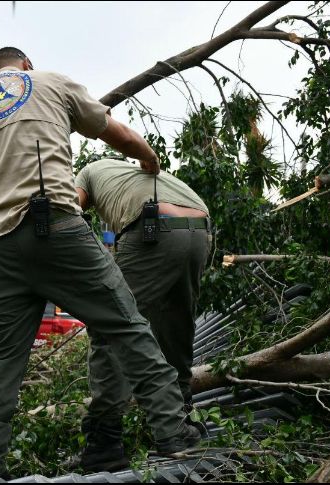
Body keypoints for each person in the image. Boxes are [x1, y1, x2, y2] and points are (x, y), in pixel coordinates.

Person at [0, 46, 200, 479]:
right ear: (26, 64)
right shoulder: (51, 82)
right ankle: (173, 433)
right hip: (58, 229)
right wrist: (149, 158)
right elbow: (119, 135)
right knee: (126, 325)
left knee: (0, 359)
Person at [72, 158, 211, 471]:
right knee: (175, 325)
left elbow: (70, 212)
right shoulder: (129, 173)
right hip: (200, 229)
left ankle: (104, 441)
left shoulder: (87, 174)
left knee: (112, 328)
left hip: (151, 228)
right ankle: (181, 421)